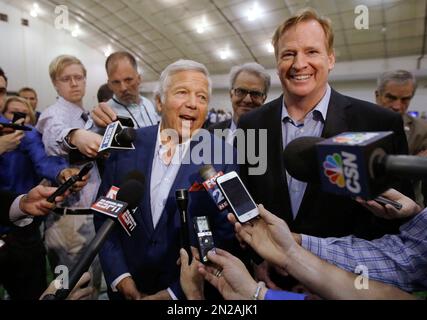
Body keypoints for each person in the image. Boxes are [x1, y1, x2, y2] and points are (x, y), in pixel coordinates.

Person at [237, 8, 412, 289]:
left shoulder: (378, 123)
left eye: (312, 51)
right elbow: (246, 198)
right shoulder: (250, 124)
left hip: (346, 283)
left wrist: (334, 280)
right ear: (277, 62)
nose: (299, 63)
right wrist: (259, 257)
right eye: (288, 53)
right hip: (272, 280)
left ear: (330, 59)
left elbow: (393, 221)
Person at [95, 59, 239, 300]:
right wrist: (119, 276)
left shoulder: (224, 156)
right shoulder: (127, 144)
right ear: (159, 101)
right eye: (182, 92)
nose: (193, 104)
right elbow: (105, 214)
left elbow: (225, 234)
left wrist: (175, 293)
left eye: (202, 97)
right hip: (125, 289)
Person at [36, 55, 103, 298]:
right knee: (69, 288)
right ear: (55, 83)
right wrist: (75, 136)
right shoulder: (53, 114)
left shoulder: (87, 114)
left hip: (90, 217)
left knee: (91, 286)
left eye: (79, 77)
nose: (74, 83)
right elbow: (54, 134)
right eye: (66, 79)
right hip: (68, 222)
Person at [375, 70, 427, 205]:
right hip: (367, 206)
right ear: (377, 95)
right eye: (391, 98)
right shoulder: (359, 122)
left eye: (405, 99)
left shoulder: (422, 128)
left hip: (408, 204)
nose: (397, 106)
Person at [91, 51, 159, 129]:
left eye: (128, 80)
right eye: (116, 82)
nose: (123, 88)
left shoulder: (148, 103)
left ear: (139, 79)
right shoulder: (106, 114)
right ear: (109, 85)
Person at [209, 62, 270, 144]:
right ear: (231, 95)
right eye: (241, 91)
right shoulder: (211, 134)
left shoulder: (273, 138)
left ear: (264, 99)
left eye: (256, 93)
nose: (247, 100)